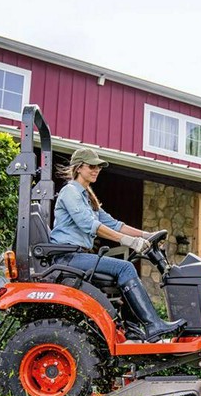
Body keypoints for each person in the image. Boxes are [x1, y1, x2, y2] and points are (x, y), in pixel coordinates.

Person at [50, 147, 186, 342]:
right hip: (69, 257)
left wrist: (146, 235)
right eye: (92, 166)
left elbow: (113, 224)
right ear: (79, 168)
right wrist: (129, 242)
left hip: (78, 256)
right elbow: (90, 225)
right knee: (125, 268)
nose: (96, 170)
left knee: (125, 272)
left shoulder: (87, 197)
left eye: (98, 167)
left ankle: (133, 330)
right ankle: (153, 325)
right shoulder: (70, 191)